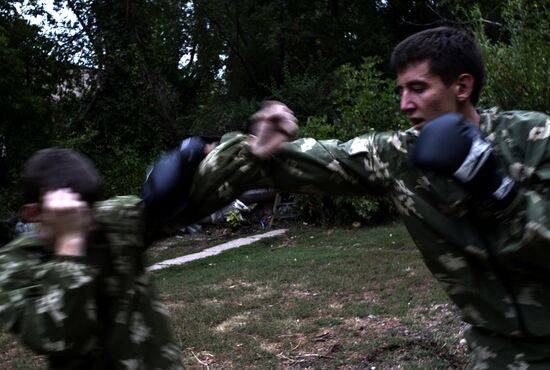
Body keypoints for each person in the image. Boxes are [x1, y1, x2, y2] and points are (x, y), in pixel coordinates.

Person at [184, 27, 550, 369]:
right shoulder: (397, 155)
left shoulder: (533, 137)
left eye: (418, 88)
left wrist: (498, 190)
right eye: (401, 91)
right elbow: (317, 159)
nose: (405, 104)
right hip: (499, 349)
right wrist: (256, 147)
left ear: (462, 87)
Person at [0, 138, 213, 369]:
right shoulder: (13, 264)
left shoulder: (111, 219)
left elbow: (199, 200)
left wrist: (247, 151)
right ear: (33, 212)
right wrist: (70, 243)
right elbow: (56, 338)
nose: (89, 222)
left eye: (89, 208)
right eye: (71, 213)